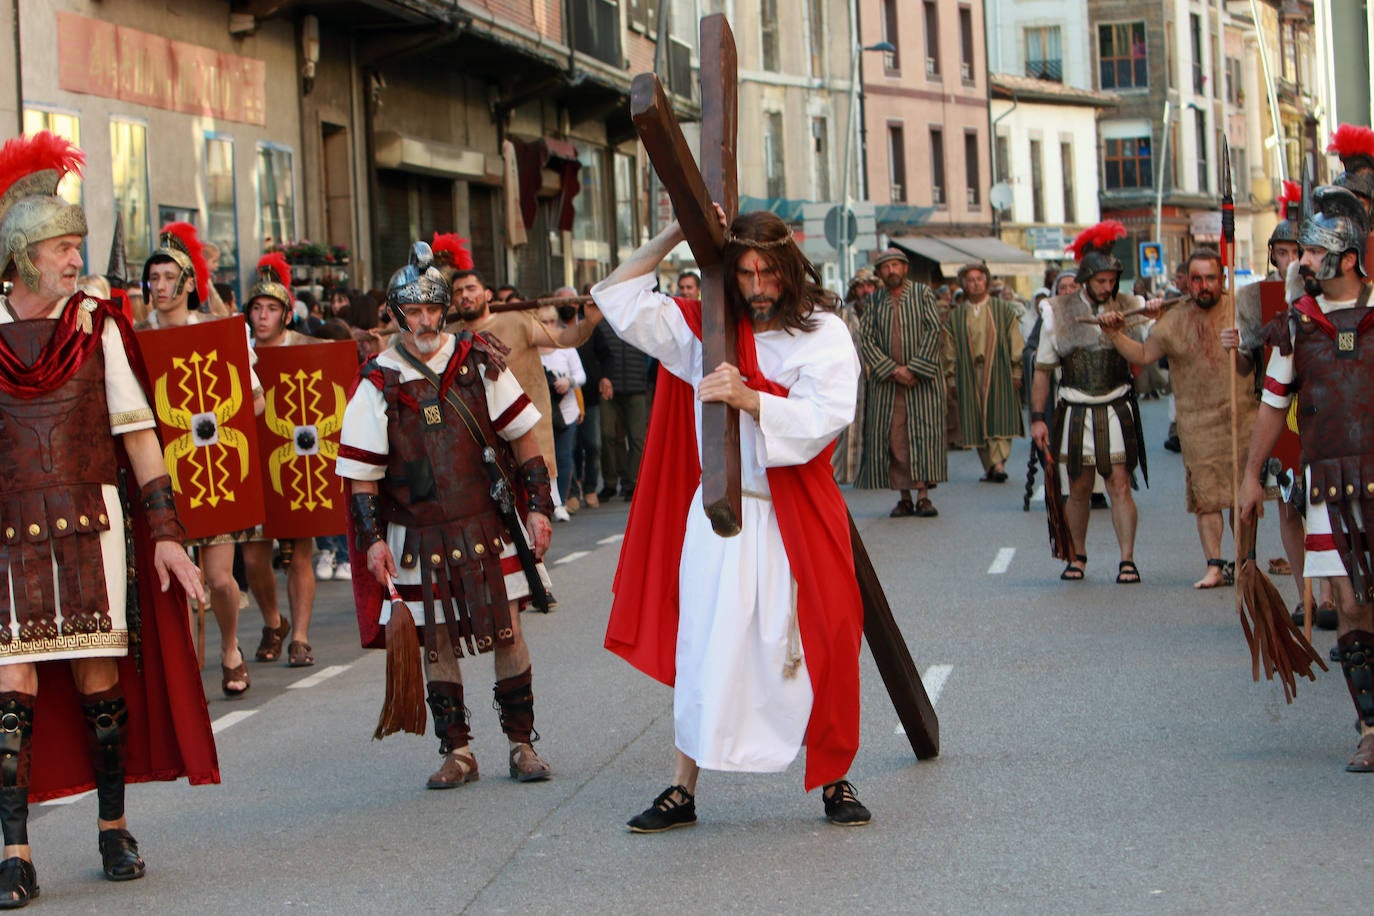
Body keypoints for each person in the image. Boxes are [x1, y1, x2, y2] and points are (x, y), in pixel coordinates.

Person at [592, 206, 870, 830]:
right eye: (742, 272)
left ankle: (835, 781)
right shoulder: (707, 332)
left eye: (768, 272)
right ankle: (681, 788)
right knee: (703, 648)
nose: (756, 286)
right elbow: (619, 296)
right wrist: (676, 231)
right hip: (721, 516)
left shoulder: (823, 332)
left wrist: (748, 395)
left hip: (791, 512)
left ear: (790, 271)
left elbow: (828, 414)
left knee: (820, 639)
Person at [0, 130, 216, 906]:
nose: (73, 257)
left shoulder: (100, 328)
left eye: (74, 245)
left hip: (93, 525)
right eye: (60, 244)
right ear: (23, 257)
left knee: (100, 688)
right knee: (9, 701)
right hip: (9, 533)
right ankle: (15, 852)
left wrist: (167, 536)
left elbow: (139, 436)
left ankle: (113, 826)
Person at [337, 242, 555, 788]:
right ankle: (458, 752)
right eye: (414, 311)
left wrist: (540, 510)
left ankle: (522, 744)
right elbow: (361, 476)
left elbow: (524, 439)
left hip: (487, 522)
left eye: (434, 309)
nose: (427, 320)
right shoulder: (377, 380)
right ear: (395, 314)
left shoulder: (478, 360)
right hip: (414, 535)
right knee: (435, 639)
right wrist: (370, 542)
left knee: (508, 632)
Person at [1239, 185, 1374, 771]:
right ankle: (1371, 724)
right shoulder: (1296, 325)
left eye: (1315, 253)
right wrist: (1250, 478)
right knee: (1348, 602)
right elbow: (1272, 404)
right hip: (1331, 488)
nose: (1302, 262)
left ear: (1347, 259)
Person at [137, 222, 266, 696]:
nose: (161, 287)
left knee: (219, 579)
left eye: (170, 277)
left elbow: (256, 399)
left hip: (213, 466)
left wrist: (218, 428)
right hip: (162, 470)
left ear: (189, 284)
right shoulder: (132, 338)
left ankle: (230, 648)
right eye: (153, 278)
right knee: (171, 582)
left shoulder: (218, 331)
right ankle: (183, 667)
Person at [1099, 249, 1259, 588]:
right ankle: (1215, 565)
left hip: (1242, 414)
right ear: (1187, 281)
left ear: (1222, 279)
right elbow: (1143, 355)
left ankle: (1246, 561)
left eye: (1211, 278)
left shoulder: (1241, 308)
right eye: (1197, 278)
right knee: (1207, 498)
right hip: (1197, 419)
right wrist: (1115, 334)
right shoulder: (1174, 317)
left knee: (1243, 496)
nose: (1204, 286)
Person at [1029, 221, 1148, 583]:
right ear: (1085, 279)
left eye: (1112, 280)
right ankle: (1077, 555)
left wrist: (1139, 321)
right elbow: (1043, 371)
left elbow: (1143, 358)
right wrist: (1037, 418)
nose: (1108, 287)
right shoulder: (1059, 311)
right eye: (1101, 281)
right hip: (1076, 407)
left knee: (1119, 485)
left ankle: (1127, 559)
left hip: (1116, 405)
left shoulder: (1130, 306)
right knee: (1078, 488)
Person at [450, 258, 602, 507]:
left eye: (470, 288)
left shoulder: (517, 320)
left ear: (487, 294)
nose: (465, 295)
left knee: (535, 521)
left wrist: (589, 322)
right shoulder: (450, 335)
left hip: (526, 437)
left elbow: (563, 338)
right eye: (458, 291)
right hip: (476, 444)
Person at [240, 254, 325, 667]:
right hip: (255, 461)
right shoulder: (241, 353)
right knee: (254, 557)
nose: (262, 315)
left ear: (286, 314)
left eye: (271, 308)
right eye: (256, 308)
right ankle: (274, 622)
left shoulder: (308, 348)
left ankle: (301, 637)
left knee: (301, 552)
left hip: (298, 459)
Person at [854, 248, 948, 517]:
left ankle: (924, 496)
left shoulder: (922, 294)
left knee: (923, 435)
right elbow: (867, 340)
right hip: (889, 385)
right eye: (886, 267)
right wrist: (893, 370)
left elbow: (933, 331)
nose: (891, 270)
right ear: (880, 273)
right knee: (894, 439)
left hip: (922, 382)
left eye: (896, 265)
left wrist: (915, 368)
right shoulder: (874, 302)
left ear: (905, 268)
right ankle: (904, 496)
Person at [946, 261, 1024, 483]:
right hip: (969, 375)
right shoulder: (956, 316)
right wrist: (950, 378)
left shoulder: (1004, 310)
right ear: (964, 285)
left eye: (979, 279)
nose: (976, 284)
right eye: (971, 280)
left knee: (1000, 417)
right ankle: (990, 466)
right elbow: (949, 349)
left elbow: (1016, 341)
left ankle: (999, 464)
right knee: (976, 420)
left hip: (1000, 370)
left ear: (986, 282)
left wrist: (1017, 371)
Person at [537, 306, 586, 522]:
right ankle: (544, 503)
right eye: (543, 322)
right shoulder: (529, 350)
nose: (548, 326)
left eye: (551, 321)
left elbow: (581, 375)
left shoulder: (566, 348)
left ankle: (560, 503)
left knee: (563, 457)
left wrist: (569, 382)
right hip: (539, 415)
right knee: (543, 461)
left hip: (566, 412)